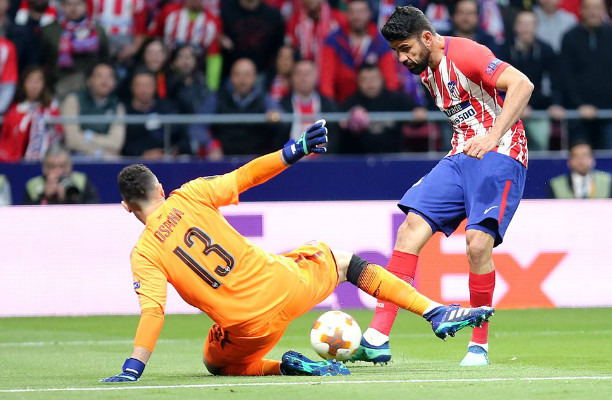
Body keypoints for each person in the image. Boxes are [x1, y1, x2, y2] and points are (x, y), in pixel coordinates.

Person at [100, 120, 494, 381]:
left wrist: (134, 369)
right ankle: (435, 311)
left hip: (248, 329)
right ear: (159, 190)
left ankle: (283, 366)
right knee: (342, 262)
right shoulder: (191, 194)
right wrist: (295, 149)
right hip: (285, 285)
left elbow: (153, 311)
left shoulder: (144, 253)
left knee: (216, 364)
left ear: (126, 206)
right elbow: (246, 175)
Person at [349, 6, 532, 367]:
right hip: (461, 154)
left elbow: (522, 84)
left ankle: (479, 345)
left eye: (405, 48)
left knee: (478, 244)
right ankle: (377, 337)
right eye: (396, 52)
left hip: (501, 151)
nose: (402, 58)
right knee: (409, 229)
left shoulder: (465, 53)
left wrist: (493, 136)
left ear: (428, 38)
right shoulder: (427, 72)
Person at [560, 0, 612, 150]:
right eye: (589, 8)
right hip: (580, 115)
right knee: (580, 163)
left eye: (598, 8)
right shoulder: (570, 37)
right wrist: (579, 105)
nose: (593, 12)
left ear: (604, 11)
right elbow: (565, 76)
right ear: (581, 10)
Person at [319, 0, 400, 103]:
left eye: (361, 12)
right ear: (346, 14)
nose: (356, 17)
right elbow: (326, 80)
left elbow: (390, 80)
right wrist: (330, 108)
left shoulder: (380, 42)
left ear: (369, 14)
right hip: (342, 105)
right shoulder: (333, 41)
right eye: (352, 12)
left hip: (374, 107)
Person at [504, 10, 561, 151]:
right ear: (515, 27)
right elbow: (499, 84)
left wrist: (555, 103)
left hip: (538, 110)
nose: (526, 28)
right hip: (508, 111)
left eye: (530, 24)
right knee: (507, 149)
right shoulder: (504, 50)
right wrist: (518, 106)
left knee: (540, 146)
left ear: (536, 27)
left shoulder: (546, 50)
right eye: (522, 24)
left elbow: (555, 81)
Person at [198, 58, 270, 156]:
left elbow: (280, 117)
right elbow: (197, 126)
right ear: (231, 77)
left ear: (255, 77)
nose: (242, 79)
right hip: (223, 159)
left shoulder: (265, 98)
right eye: (238, 74)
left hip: (257, 160)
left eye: (247, 75)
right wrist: (211, 144)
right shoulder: (217, 97)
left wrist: (274, 116)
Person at [40, 0, 109, 99]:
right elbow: (42, 62)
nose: (73, 8)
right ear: (62, 7)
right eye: (68, 4)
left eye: (78, 4)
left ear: (85, 6)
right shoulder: (49, 31)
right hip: (59, 87)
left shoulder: (97, 31)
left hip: (92, 90)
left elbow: (105, 60)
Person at [340, 63, 415, 154]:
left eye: (374, 79)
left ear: (381, 79)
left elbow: (417, 113)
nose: (370, 84)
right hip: (359, 159)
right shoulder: (350, 104)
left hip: (394, 157)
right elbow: (339, 124)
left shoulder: (397, 99)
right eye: (365, 80)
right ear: (358, 82)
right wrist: (347, 122)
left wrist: (418, 112)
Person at [61, 62, 126, 158]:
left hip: (107, 159)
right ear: (89, 80)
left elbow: (116, 143)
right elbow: (72, 140)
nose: (105, 81)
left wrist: (89, 137)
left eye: (109, 76)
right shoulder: (73, 100)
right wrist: (98, 153)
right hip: (77, 157)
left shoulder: (118, 106)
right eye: (99, 76)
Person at [121, 69, 190, 158]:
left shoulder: (167, 108)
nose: (143, 90)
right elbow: (122, 144)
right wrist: (142, 154)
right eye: (139, 85)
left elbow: (182, 137)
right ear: (132, 87)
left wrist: (174, 150)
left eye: (147, 85)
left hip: (167, 161)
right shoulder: (124, 111)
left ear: (155, 87)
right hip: (135, 164)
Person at [0, 67, 61, 162]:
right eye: (30, 81)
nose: (34, 86)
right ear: (23, 83)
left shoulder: (51, 108)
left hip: (45, 159)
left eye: (38, 81)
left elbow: (58, 132)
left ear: (44, 84)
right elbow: (6, 136)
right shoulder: (13, 109)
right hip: (15, 159)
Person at [22, 146, 100, 204]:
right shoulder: (33, 186)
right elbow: (26, 217)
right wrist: (45, 196)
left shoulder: (82, 181)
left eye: (62, 166)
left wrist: (68, 199)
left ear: (70, 166)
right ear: (44, 168)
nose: (58, 171)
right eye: (52, 167)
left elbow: (93, 211)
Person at [547, 142, 612, 198]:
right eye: (576, 156)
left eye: (585, 156)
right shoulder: (556, 184)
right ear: (569, 161)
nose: (581, 160)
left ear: (592, 159)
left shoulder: (607, 181)